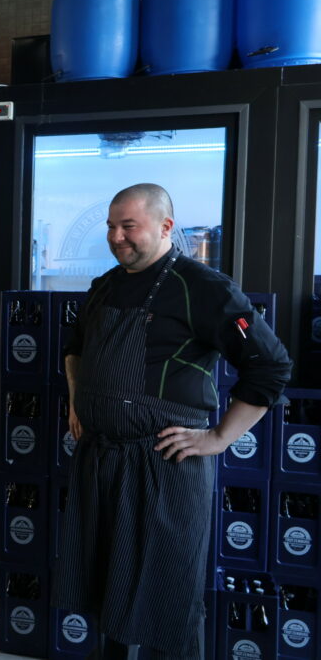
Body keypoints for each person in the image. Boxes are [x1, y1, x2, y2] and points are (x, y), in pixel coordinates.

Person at [51, 184, 292, 659]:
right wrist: (77, 403)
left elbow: (271, 366)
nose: (116, 237)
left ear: (165, 227)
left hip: (164, 467)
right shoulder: (104, 286)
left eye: (128, 226)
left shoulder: (204, 288)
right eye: (111, 227)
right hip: (101, 462)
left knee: (169, 602)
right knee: (106, 595)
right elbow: (75, 350)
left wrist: (218, 438)